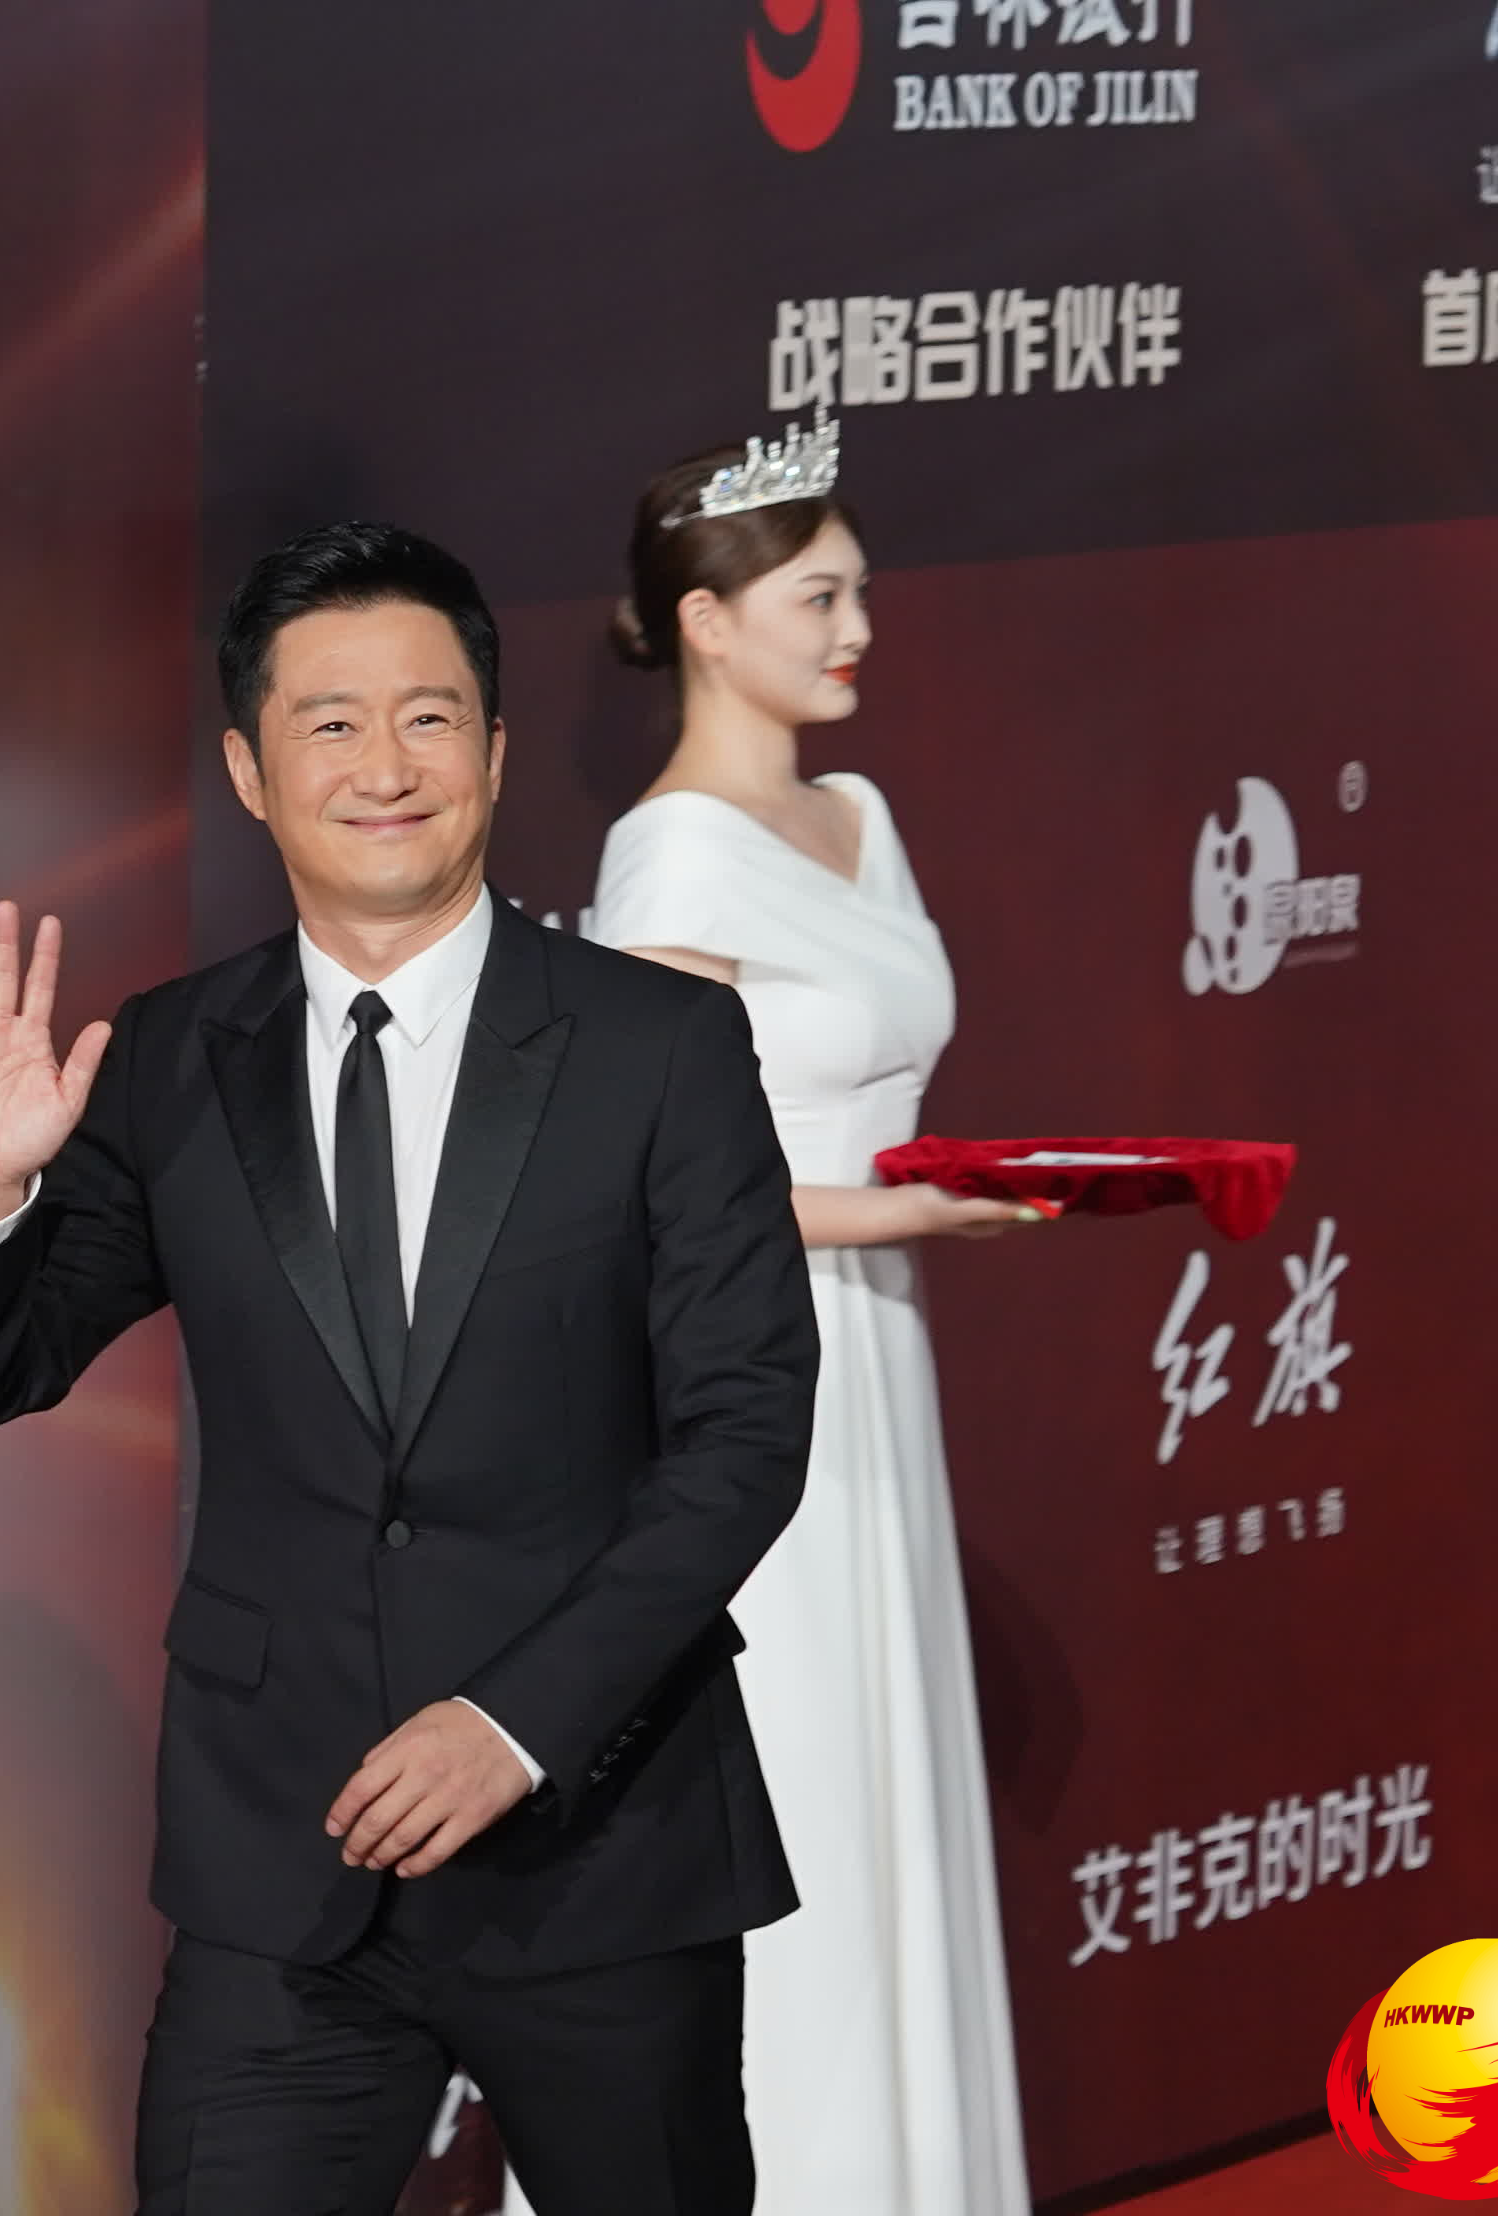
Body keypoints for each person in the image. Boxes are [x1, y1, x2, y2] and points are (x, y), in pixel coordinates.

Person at [0, 521, 820, 2214]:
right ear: (250, 771)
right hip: (283, 1871)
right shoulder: (170, 1057)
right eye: (330, 724)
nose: (384, 767)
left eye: (428, 718)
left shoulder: (659, 1048)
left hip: (597, 1854)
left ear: (495, 750)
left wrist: (516, 1724)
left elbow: (745, 1437)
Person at [586, 420, 1041, 2216]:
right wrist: (900, 1211)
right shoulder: (668, 865)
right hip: (746, 1369)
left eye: (860, 591)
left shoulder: (864, 818)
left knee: (879, 1777)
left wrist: (944, 1195)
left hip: (881, 1354)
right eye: (820, 597)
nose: (859, 627)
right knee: (795, 1793)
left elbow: (883, 1096)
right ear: (708, 623)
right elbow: (652, 1180)